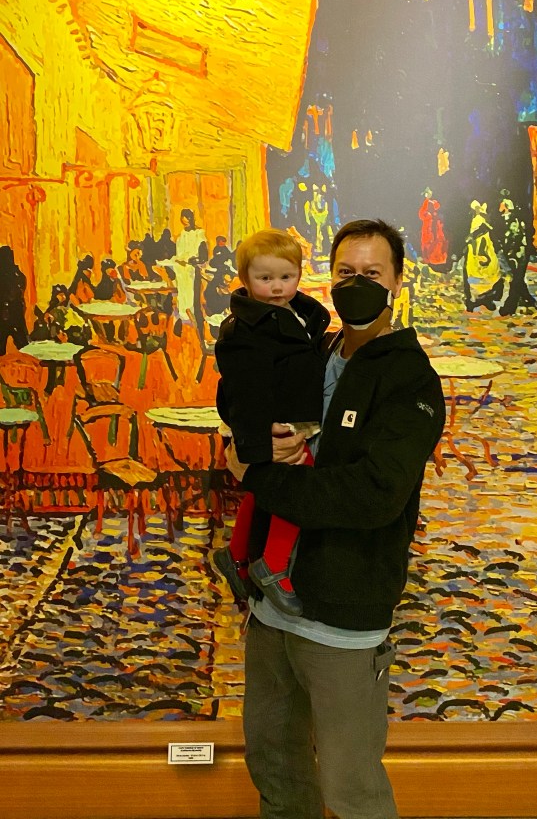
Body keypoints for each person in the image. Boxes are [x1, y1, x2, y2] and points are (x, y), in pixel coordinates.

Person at [226, 219, 445, 819]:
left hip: (343, 622)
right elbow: (251, 408)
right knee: (276, 772)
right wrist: (246, 443)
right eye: (346, 272)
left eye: (372, 273)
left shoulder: (410, 379)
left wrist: (259, 476)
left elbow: (373, 496)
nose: (357, 284)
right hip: (272, 611)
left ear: (397, 281)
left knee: (351, 791)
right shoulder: (309, 349)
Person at [213, 229, 330, 616]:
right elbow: (243, 391)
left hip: (295, 414)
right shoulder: (245, 329)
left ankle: (235, 553)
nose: (277, 287)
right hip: (278, 422)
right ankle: (273, 564)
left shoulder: (299, 313)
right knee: (298, 489)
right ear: (246, 280)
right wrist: (259, 441)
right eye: (265, 278)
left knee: (265, 490)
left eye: (286, 276)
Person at [498, 193, 536, 316]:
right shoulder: (505, 219)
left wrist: (510, 252)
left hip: (518, 254)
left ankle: (509, 307)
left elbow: (515, 238)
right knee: (517, 279)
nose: (499, 206)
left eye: (501, 204)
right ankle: (528, 298)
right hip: (514, 254)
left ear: (506, 206)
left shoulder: (513, 221)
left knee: (515, 280)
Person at [462, 200, 503, 311]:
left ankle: (486, 298)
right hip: (478, 250)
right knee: (477, 273)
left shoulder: (482, 220)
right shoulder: (478, 220)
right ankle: (476, 299)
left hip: (485, 248)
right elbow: (475, 236)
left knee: (490, 273)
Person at [174, 209, 207, 325]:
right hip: (181, 270)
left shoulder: (199, 234)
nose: (186, 224)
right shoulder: (181, 236)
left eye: (187, 221)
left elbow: (203, 256)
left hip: (193, 270)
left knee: (193, 298)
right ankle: (184, 319)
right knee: (182, 295)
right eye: (184, 222)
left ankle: (193, 321)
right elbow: (179, 253)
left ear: (191, 219)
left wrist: (193, 260)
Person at [0, 245, 28, 355]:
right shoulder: (16, 274)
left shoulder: (15, 274)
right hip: (9, 313)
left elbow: (18, 289)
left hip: (13, 313)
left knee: (23, 344)